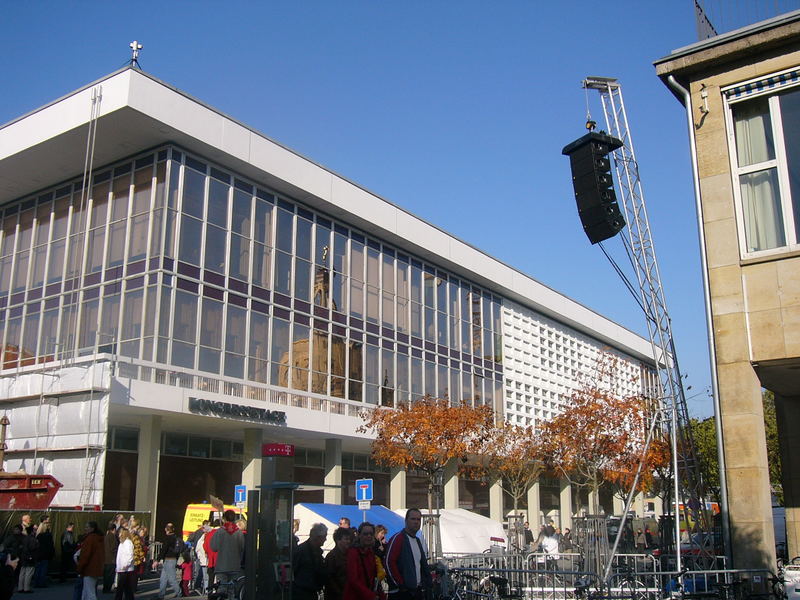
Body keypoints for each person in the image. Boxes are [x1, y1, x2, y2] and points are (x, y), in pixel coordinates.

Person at [385, 508, 431, 600]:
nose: (416, 522)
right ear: (406, 521)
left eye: (418, 519)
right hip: (401, 593)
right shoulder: (398, 539)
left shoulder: (417, 541)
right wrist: (400, 584)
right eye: (413, 519)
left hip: (416, 591)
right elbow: (389, 562)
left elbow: (420, 565)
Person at [344, 522, 385, 600]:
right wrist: (371, 595)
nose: (369, 536)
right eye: (365, 534)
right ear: (359, 535)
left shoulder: (370, 553)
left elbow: (374, 578)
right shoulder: (353, 553)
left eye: (371, 534)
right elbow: (353, 579)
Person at [292, 523, 327, 600]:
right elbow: (293, 571)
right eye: (324, 537)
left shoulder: (317, 552)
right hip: (300, 592)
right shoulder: (301, 551)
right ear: (318, 537)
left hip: (312, 591)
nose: (325, 539)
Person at [209, 510, 245, 587]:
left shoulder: (219, 532)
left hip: (222, 566)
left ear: (224, 519)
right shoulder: (239, 533)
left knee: (222, 589)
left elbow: (213, 547)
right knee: (232, 590)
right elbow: (242, 548)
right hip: (235, 566)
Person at [76, 521, 104, 600]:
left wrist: (80, 567)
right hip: (96, 567)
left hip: (89, 568)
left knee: (89, 593)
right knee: (86, 592)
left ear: (92, 528)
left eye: (87, 527)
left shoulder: (90, 539)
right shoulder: (99, 539)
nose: (85, 529)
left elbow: (85, 555)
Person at [154, 523, 182, 600]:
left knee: (172, 579)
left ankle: (179, 593)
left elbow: (164, 550)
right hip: (172, 560)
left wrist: (157, 560)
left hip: (169, 560)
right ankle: (161, 595)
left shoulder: (168, 538)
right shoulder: (176, 538)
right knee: (163, 578)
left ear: (166, 529)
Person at [324, 527, 353, 600]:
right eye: (346, 539)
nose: (348, 541)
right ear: (338, 540)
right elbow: (329, 579)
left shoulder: (349, 555)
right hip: (335, 596)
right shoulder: (331, 556)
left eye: (349, 539)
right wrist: (340, 593)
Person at [114, 529, 135, 600]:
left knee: (121, 587)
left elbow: (130, 555)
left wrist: (126, 565)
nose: (119, 534)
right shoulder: (122, 543)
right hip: (121, 568)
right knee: (126, 587)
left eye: (120, 533)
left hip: (126, 568)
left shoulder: (128, 543)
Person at [34, 517, 55, 587]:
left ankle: (36, 583)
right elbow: (50, 546)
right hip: (45, 554)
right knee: (43, 569)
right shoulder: (48, 535)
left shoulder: (38, 536)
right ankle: (41, 583)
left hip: (38, 554)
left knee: (38, 569)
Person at [202, 520, 220, 589]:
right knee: (220, 579)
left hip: (211, 560)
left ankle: (210, 594)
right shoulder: (221, 534)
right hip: (219, 560)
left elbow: (205, 546)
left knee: (211, 579)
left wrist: (208, 553)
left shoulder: (208, 534)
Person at [103, 521, 119, 593]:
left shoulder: (106, 536)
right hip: (111, 559)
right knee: (110, 575)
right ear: (114, 529)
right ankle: (107, 588)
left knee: (106, 575)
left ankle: (105, 588)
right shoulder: (112, 537)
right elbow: (113, 548)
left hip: (106, 558)